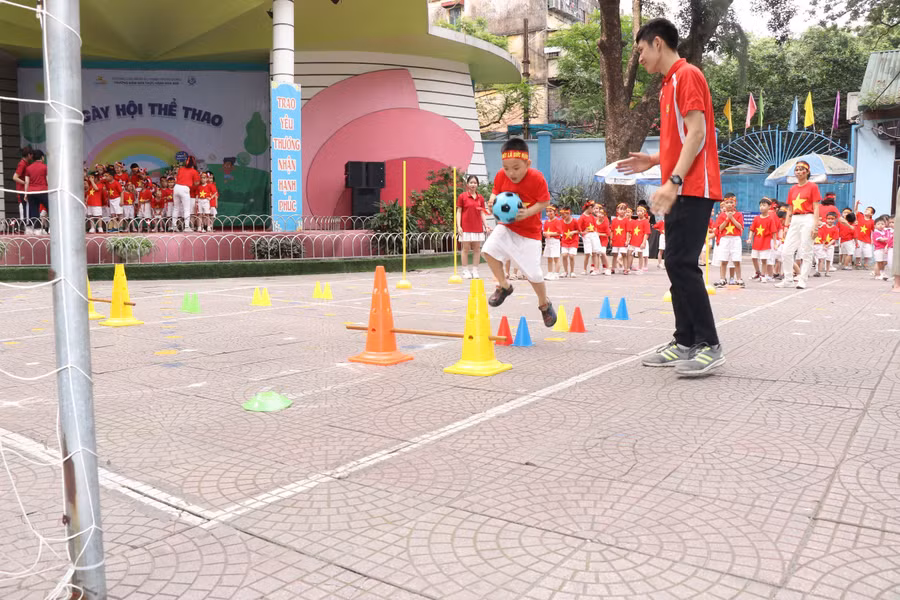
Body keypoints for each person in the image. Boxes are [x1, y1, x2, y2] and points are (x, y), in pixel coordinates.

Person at [617, 18, 724, 376]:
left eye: (641, 50)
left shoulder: (687, 75)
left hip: (694, 186)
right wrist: (653, 160)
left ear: (658, 43)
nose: (640, 58)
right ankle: (684, 342)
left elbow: (698, 133)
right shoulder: (668, 84)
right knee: (675, 263)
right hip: (679, 187)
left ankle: (709, 344)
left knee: (682, 263)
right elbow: (680, 139)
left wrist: (674, 180)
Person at [482, 138, 557, 327]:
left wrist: (528, 212)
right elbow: (495, 191)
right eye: (506, 168)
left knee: (534, 275)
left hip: (530, 234)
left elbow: (545, 202)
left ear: (527, 163)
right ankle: (504, 286)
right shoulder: (501, 175)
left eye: (516, 168)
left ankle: (544, 304)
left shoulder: (537, 178)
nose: (511, 173)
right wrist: (491, 201)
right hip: (507, 227)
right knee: (488, 250)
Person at [776, 160, 820, 289]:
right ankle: (788, 279)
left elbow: (816, 207)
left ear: (807, 172)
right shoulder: (792, 189)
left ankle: (803, 279)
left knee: (806, 250)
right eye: (797, 170)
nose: (798, 172)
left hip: (808, 218)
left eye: (801, 169)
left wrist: (815, 226)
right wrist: (786, 226)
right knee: (786, 251)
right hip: (795, 219)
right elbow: (790, 209)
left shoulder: (813, 187)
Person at [456, 175, 489, 279]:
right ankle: (465, 270)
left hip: (477, 227)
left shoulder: (481, 198)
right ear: (467, 184)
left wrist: (486, 226)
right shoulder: (462, 196)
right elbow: (459, 211)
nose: (473, 184)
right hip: (466, 227)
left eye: (475, 183)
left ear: (477, 184)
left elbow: (482, 213)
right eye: (471, 182)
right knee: (465, 249)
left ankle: (475, 270)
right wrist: (459, 226)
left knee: (477, 249)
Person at [712, 194, 744, 287]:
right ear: (724, 204)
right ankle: (722, 279)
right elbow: (720, 228)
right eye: (727, 203)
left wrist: (732, 218)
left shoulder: (739, 215)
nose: (729, 204)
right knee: (724, 260)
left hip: (735, 239)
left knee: (736, 260)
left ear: (735, 203)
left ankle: (739, 279)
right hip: (725, 239)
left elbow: (740, 227)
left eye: (731, 202)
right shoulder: (721, 215)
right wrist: (727, 219)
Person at [748, 198, 776, 282]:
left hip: (765, 243)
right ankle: (757, 272)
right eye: (760, 205)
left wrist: (775, 243)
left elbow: (774, 232)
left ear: (769, 207)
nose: (762, 207)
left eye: (764, 205)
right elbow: (752, 229)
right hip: (756, 242)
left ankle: (763, 275)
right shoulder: (756, 218)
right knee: (754, 258)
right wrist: (750, 238)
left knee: (764, 260)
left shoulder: (770, 219)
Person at [23, 149, 49, 235]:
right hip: (43, 191)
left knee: (34, 211)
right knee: (51, 208)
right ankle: (52, 227)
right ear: (42, 157)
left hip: (32, 192)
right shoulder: (45, 167)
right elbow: (48, 180)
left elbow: (27, 182)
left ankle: (37, 229)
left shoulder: (28, 168)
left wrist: (26, 194)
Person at [173, 155, 201, 232]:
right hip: (185, 188)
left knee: (176, 208)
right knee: (186, 209)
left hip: (176, 187)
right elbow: (196, 183)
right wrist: (193, 185)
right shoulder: (194, 171)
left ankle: (174, 227)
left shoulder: (181, 169)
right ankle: (187, 227)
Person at [12, 146, 33, 233]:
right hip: (22, 190)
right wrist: (25, 183)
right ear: (28, 155)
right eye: (31, 154)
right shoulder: (22, 164)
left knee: (26, 208)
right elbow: (15, 177)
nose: (32, 156)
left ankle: (27, 226)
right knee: (24, 208)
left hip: (24, 190)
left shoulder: (26, 163)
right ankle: (25, 227)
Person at [578, 201, 600, 275]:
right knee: (587, 253)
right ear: (589, 208)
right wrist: (583, 233)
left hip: (593, 235)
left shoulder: (592, 216)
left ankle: (595, 269)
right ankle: (584, 269)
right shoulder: (582, 217)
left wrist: (595, 233)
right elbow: (579, 228)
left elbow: (595, 226)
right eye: (593, 209)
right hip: (587, 236)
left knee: (594, 253)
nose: (593, 211)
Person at [814, 213, 839, 277]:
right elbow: (821, 235)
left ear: (835, 219)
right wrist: (823, 244)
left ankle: (827, 271)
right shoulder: (823, 227)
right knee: (820, 258)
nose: (830, 220)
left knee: (828, 259)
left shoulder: (835, 228)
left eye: (832, 219)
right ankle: (818, 271)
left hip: (830, 246)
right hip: (822, 245)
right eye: (829, 219)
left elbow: (834, 238)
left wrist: (828, 245)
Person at [558, 206, 580, 278]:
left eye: (564, 215)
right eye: (561, 215)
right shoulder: (561, 221)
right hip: (564, 240)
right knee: (564, 255)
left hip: (573, 241)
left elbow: (579, 230)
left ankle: (572, 271)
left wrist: (573, 232)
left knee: (571, 256)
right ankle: (565, 271)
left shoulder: (575, 221)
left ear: (568, 213)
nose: (562, 216)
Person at [609, 202, 630, 274]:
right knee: (614, 254)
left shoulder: (626, 220)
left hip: (622, 240)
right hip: (615, 240)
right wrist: (611, 239)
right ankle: (613, 268)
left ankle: (625, 268)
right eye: (621, 209)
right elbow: (612, 231)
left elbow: (627, 231)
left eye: (624, 210)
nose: (622, 211)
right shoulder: (614, 220)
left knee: (624, 254)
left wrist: (627, 240)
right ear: (617, 210)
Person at [542, 204, 561, 280]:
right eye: (547, 211)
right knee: (549, 258)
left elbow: (559, 232)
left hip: (555, 241)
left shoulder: (557, 221)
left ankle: (556, 274)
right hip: (548, 241)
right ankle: (549, 272)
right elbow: (544, 231)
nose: (549, 213)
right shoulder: (546, 221)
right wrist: (545, 233)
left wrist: (550, 233)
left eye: (551, 211)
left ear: (555, 212)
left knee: (556, 258)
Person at [873, 216, 890, 280]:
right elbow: (881, 239)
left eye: (882, 224)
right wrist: (889, 239)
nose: (880, 225)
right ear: (875, 226)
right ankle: (877, 275)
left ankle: (881, 273)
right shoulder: (876, 232)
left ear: (885, 225)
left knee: (884, 262)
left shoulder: (885, 231)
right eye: (878, 224)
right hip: (879, 249)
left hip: (884, 249)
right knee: (879, 262)